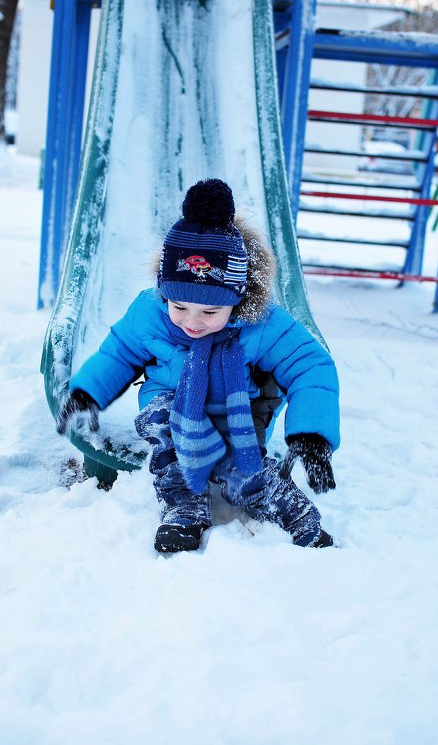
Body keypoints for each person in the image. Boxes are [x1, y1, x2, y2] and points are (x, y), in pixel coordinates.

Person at [57, 179, 340, 553]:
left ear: (237, 299)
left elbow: (310, 364)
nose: (192, 322)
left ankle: (292, 512)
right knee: (162, 426)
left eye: (210, 311)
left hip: (237, 410)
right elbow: (120, 353)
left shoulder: (261, 323)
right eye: (180, 307)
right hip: (172, 405)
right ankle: (183, 508)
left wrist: (312, 433)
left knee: (244, 470)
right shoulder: (150, 311)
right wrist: (88, 392)